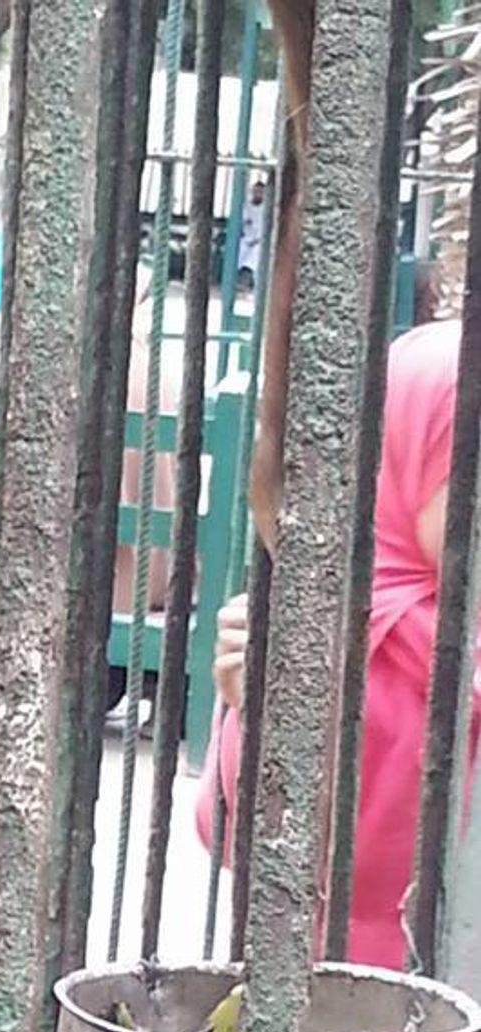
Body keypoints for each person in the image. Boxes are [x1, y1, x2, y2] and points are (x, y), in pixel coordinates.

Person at [196, 316, 481, 970]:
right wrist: (251, 709)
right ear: (411, 452)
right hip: (342, 990)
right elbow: (233, 831)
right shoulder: (332, 614)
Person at [237, 180, 266, 292]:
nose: (257, 194)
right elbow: (241, 222)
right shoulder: (246, 206)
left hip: (259, 241)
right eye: (255, 191)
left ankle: (246, 280)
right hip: (246, 239)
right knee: (239, 250)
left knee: (256, 254)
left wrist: (257, 239)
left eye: (260, 192)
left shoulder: (267, 208)